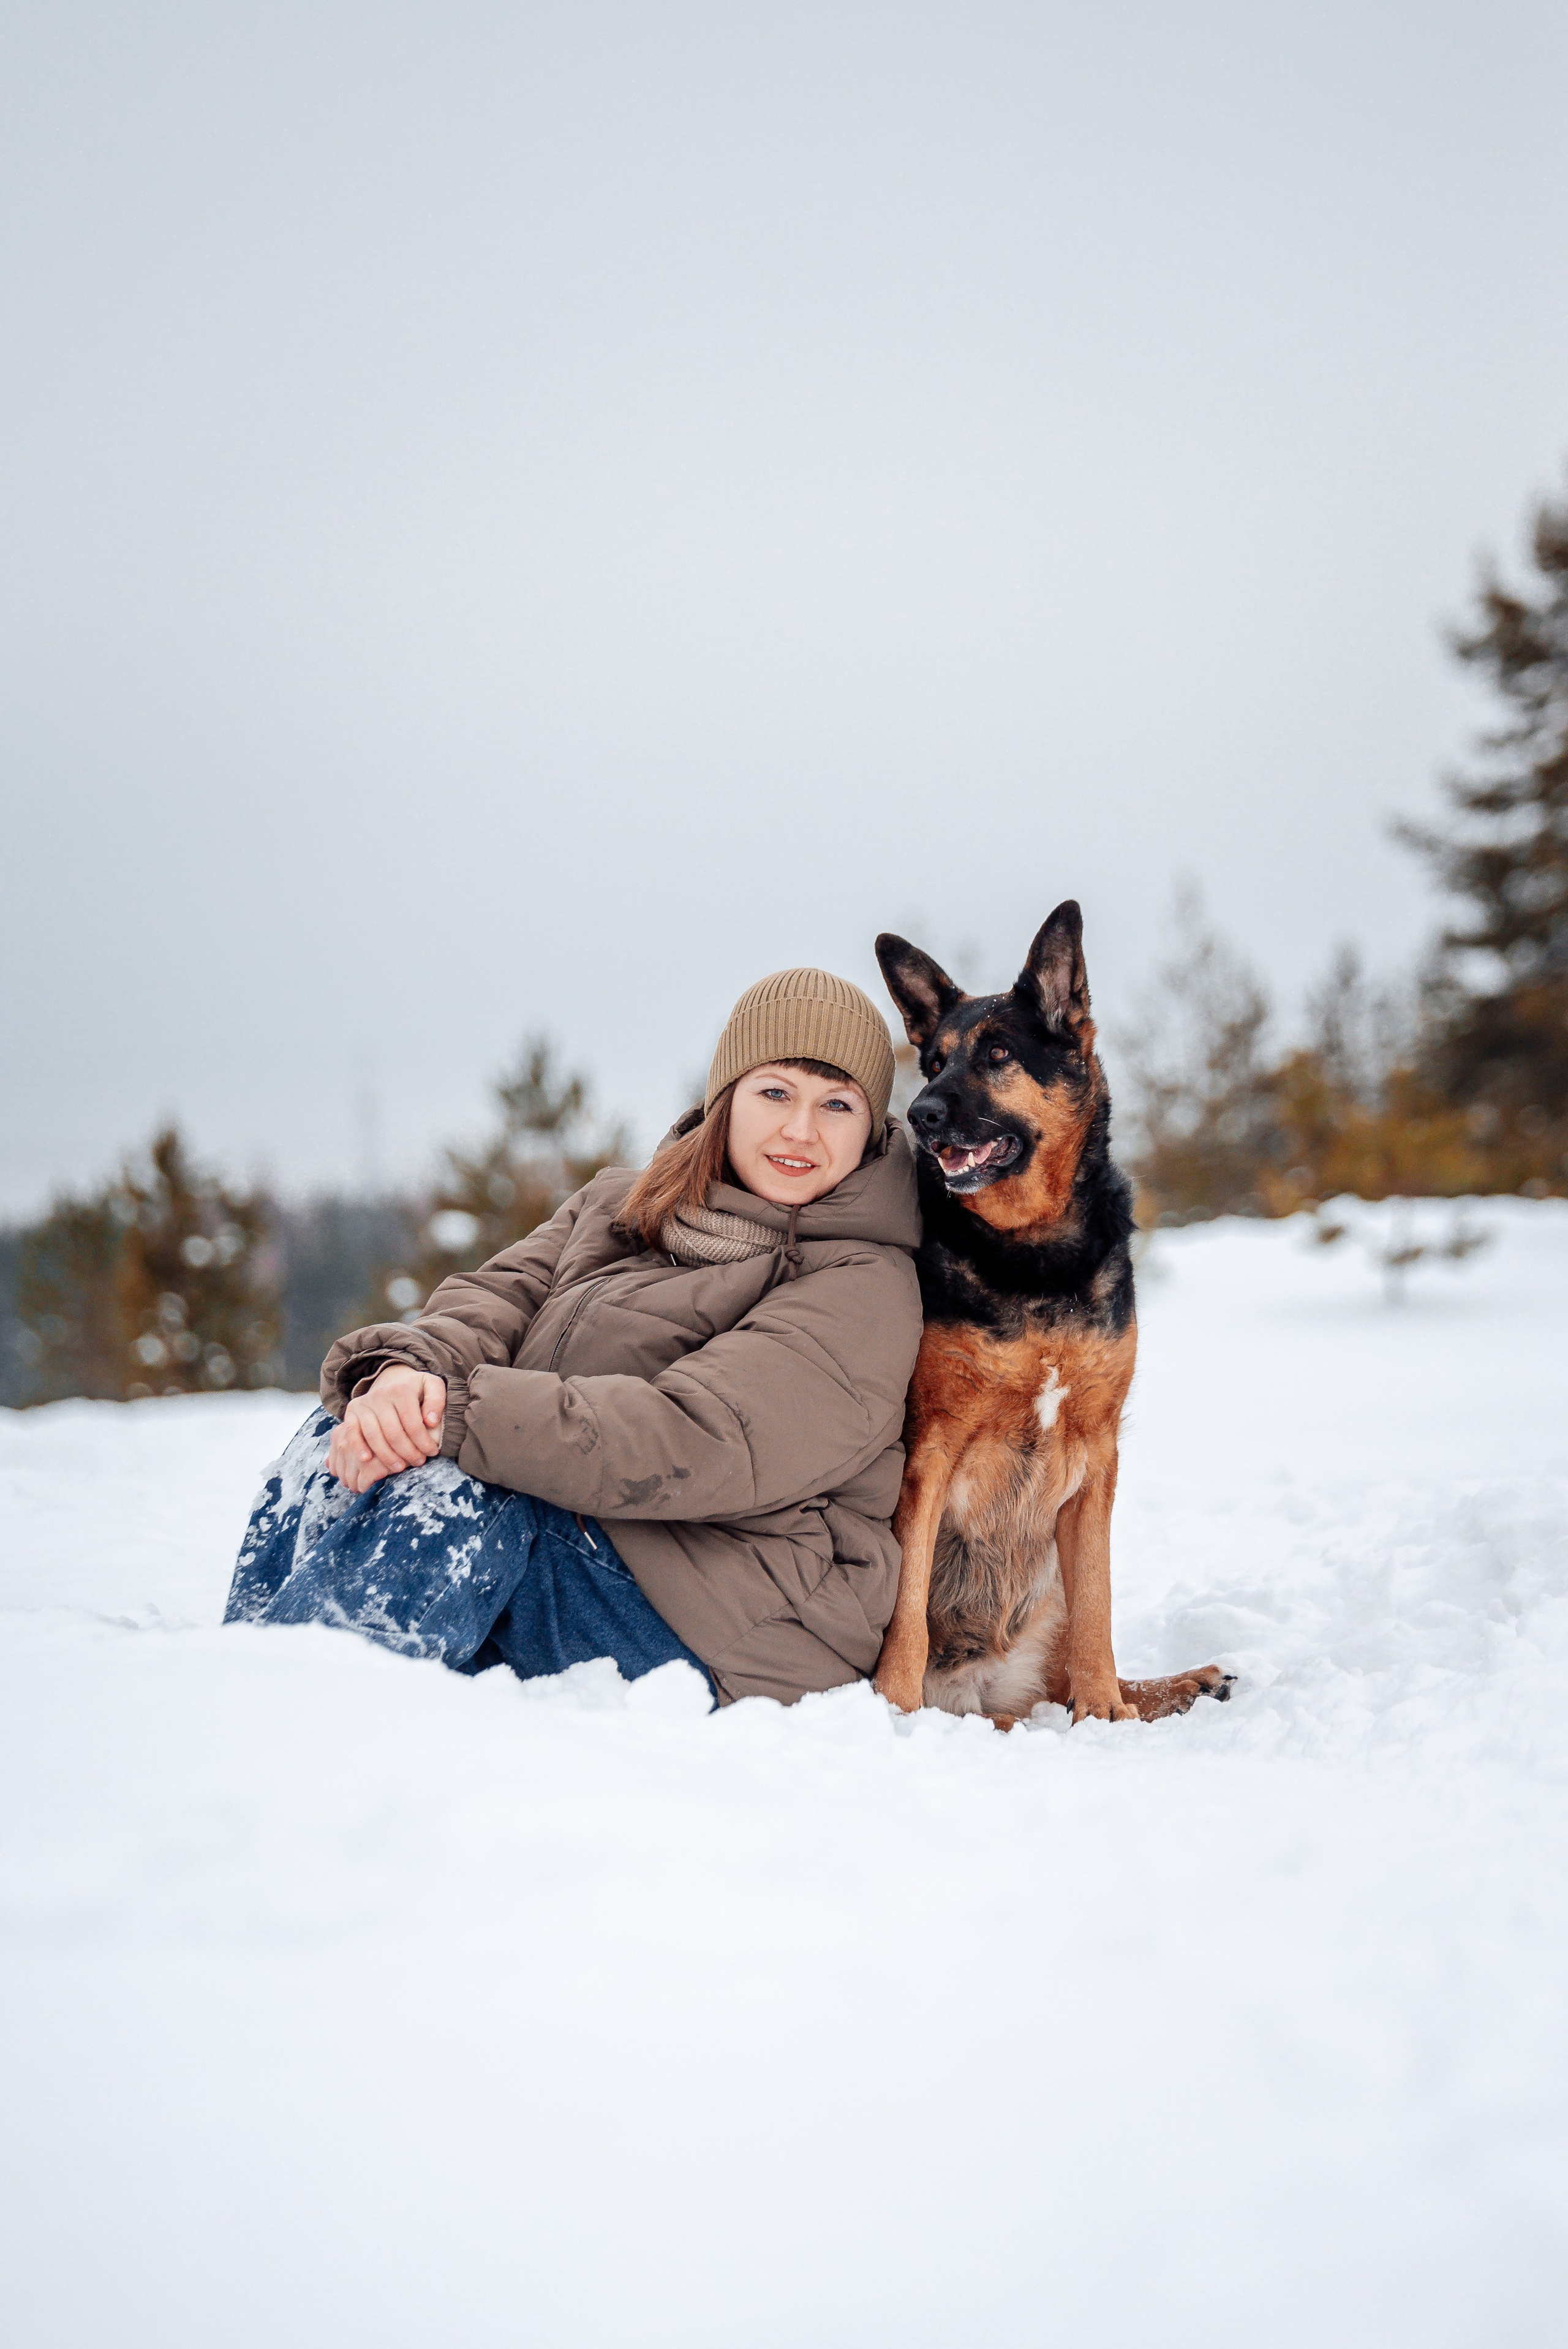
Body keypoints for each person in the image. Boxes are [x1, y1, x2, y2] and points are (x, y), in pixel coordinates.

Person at [225, 968, 923, 1706]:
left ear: (872, 1127)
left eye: (837, 1104)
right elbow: (491, 1302)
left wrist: (453, 1413)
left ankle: (304, 1715)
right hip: (596, 1540)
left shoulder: (864, 1280)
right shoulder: (619, 1203)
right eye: (775, 1092)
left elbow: (697, 1439)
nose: (801, 1130)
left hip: (736, 1617)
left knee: (459, 1484)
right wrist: (404, 1373)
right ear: (725, 1099)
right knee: (353, 1421)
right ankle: (256, 1675)